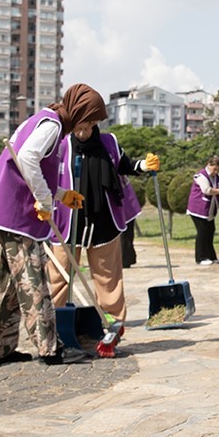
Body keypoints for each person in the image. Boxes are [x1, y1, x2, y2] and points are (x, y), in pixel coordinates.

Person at [0, 83, 106, 367]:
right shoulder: (53, 126)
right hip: (17, 216)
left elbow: (31, 166)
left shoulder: (46, 119)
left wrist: (60, 195)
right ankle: (51, 350)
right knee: (34, 283)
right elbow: (27, 158)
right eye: (90, 119)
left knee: (7, 286)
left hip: (3, 212)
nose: (91, 126)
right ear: (79, 111)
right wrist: (45, 200)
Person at [46, 125, 158, 324]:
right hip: (67, 221)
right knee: (59, 276)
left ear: (94, 123)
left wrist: (144, 166)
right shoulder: (60, 144)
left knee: (108, 277)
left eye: (87, 126)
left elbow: (125, 165)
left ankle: (112, 321)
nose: (82, 131)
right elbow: (45, 174)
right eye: (78, 126)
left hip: (103, 220)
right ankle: (53, 321)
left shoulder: (109, 142)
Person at [187, 157, 219, 266]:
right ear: (208, 165)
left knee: (210, 231)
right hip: (198, 209)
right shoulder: (201, 176)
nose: (216, 172)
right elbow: (207, 190)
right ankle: (200, 257)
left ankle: (211, 256)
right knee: (202, 232)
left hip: (209, 210)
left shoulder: (217, 177)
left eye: (218, 170)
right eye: (214, 169)